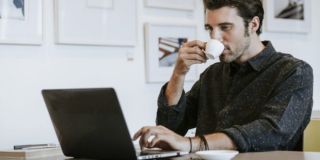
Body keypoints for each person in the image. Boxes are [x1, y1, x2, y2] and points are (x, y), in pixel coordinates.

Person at [133, 0, 313, 153]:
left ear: (253, 24)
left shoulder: (294, 72)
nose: (214, 37)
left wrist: (192, 144)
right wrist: (178, 73)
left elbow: (272, 132)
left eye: (225, 27)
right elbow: (171, 128)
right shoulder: (212, 74)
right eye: (209, 29)